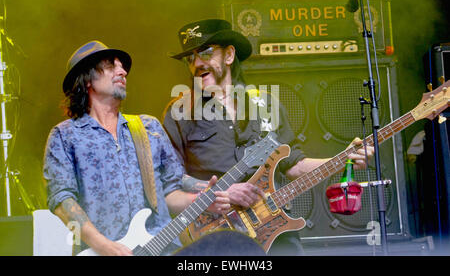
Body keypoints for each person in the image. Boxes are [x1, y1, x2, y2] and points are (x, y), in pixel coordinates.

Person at [162, 19, 375, 255]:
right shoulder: (179, 112)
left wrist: (343, 158)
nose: (197, 64)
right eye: (189, 58)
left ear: (229, 55)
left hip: (274, 230)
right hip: (216, 235)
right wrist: (220, 194)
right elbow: (172, 185)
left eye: (206, 53)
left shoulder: (265, 104)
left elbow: (293, 164)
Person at [43, 40, 230, 256]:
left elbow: (170, 190)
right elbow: (61, 199)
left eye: (122, 66)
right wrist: (104, 246)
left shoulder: (148, 127)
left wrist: (200, 200)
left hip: (162, 248)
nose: (122, 71)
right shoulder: (65, 136)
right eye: (111, 66)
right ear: (87, 80)